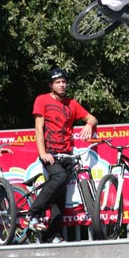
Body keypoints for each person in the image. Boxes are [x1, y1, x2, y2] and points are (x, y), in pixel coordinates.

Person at [26, 68, 98, 243]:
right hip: (50, 153)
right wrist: (42, 153)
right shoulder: (42, 100)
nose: (62, 85)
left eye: (64, 81)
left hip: (67, 155)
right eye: (58, 82)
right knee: (58, 178)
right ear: (51, 85)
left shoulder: (71, 103)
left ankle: (53, 235)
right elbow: (38, 128)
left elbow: (93, 118)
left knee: (60, 197)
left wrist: (89, 125)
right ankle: (32, 213)